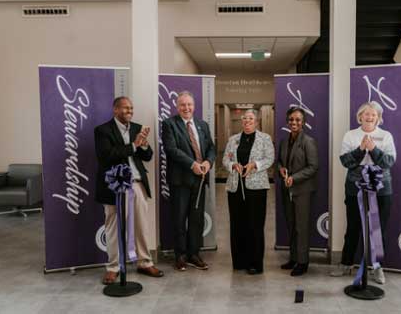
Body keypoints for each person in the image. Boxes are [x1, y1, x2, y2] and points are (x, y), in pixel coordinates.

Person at [94, 96, 163, 285]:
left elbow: (147, 156)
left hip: (137, 183)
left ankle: (144, 262)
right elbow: (106, 156)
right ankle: (113, 267)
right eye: (125, 108)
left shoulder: (137, 128)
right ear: (115, 110)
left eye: (131, 108)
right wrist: (133, 145)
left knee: (141, 224)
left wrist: (144, 144)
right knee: (113, 227)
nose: (130, 112)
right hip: (114, 186)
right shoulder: (102, 130)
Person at [330, 101, 396, 284]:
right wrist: (360, 150)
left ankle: (377, 268)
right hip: (355, 186)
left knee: (377, 229)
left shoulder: (386, 135)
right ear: (360, 116)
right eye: (366, 114)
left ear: (379, 118)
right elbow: (346, 161)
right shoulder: (350, 135)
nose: (369, 117)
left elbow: (389, 162)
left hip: (381, 188)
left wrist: (373, 150)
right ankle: (346, 263)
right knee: (353, 227)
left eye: (373, 114)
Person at [161, 91, 216, 271]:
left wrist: (208, 162)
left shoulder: (202, 125)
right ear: (177, 107)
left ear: (194, 106)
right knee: (179, 219)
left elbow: (210, 148)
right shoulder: (169, 124)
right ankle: (180, 255)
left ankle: (194, 254)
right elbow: (171, 149)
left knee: (196, 219)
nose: (186, 108)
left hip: (199, 180)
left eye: (189, 105)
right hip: (180, 180)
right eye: (183, 105)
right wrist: (192, 164)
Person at [222, 109, 274, 275]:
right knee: (237, 225)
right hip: (235, 187)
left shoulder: (265, 138)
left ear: (257, 122)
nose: (247, 121)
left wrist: (255, 165)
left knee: (255, 226)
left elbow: (269, 159)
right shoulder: (233, 140)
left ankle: (255, 263)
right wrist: (232, 166)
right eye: (244, 119)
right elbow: (225, 159)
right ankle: (239, 261)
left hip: (256, 188)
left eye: (250, 119)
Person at [278, 107, 318, 276]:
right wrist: (281, 169)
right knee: (292, 225)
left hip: (302, 190)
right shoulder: (284, 141)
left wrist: (295, 178)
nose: (294, 122)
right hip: (287, 190)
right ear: (288, 121)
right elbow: (279, 161)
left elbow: (313, 167)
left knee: (301, 227)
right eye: (291, 119)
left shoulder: (308, 141)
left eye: (298, 120)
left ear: (303, 122)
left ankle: (303, 262)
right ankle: (294, 258)